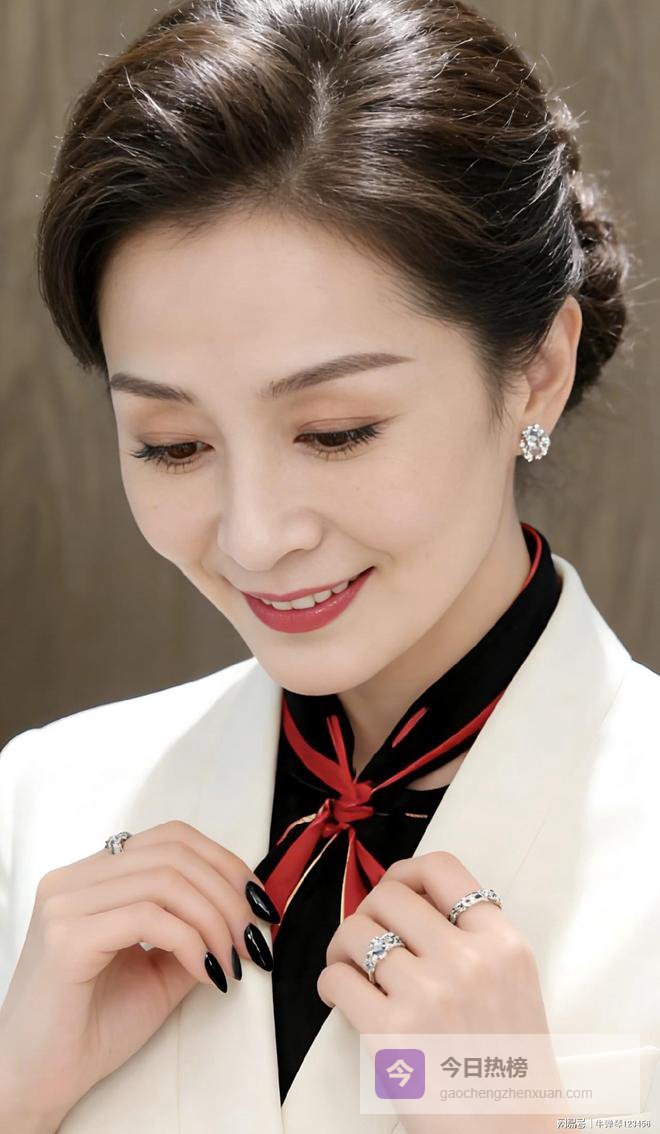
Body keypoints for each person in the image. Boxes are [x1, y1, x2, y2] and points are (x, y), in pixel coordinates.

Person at [0, 0, 658, 1130]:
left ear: (537, 373)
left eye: (337, 431)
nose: (253, 537)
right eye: (172, 445)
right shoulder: (42, 802)